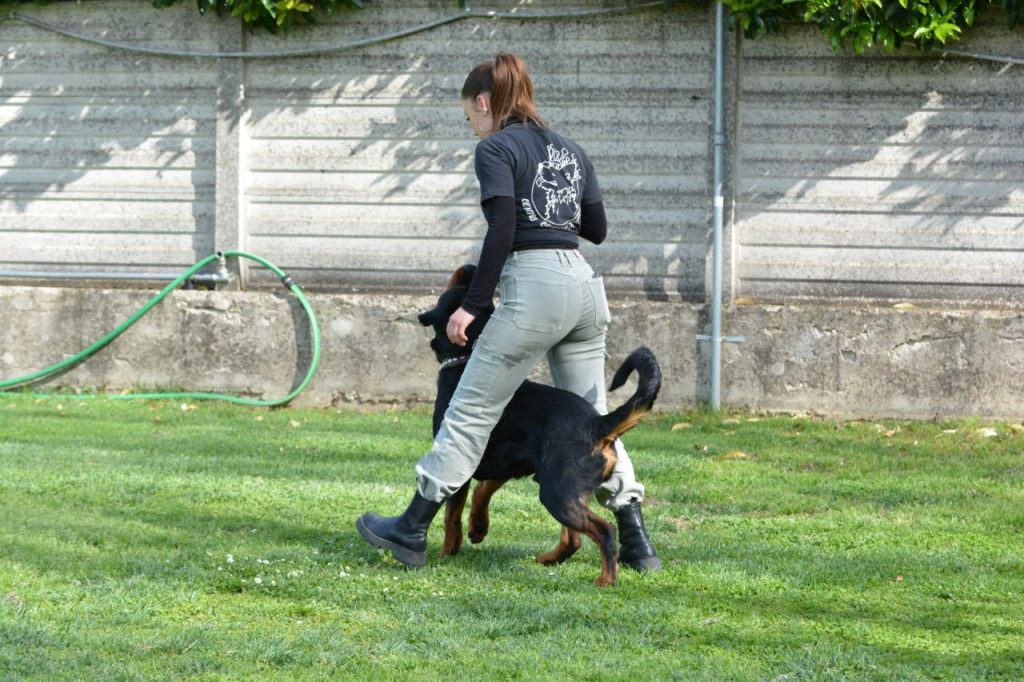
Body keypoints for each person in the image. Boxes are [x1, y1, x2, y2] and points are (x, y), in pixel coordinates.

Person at [356, 52, 660, 573]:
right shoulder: (571, 150)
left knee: (470, 409)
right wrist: (551, 213)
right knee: (592, 417)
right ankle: (635, 539)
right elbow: (597, 230)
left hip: (537, 286)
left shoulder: (496, 148)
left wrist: (473, 305)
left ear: (482, 101)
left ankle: (410, 528)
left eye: (470, 117)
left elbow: (500, 231)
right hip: (585, 288)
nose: (473, 128)